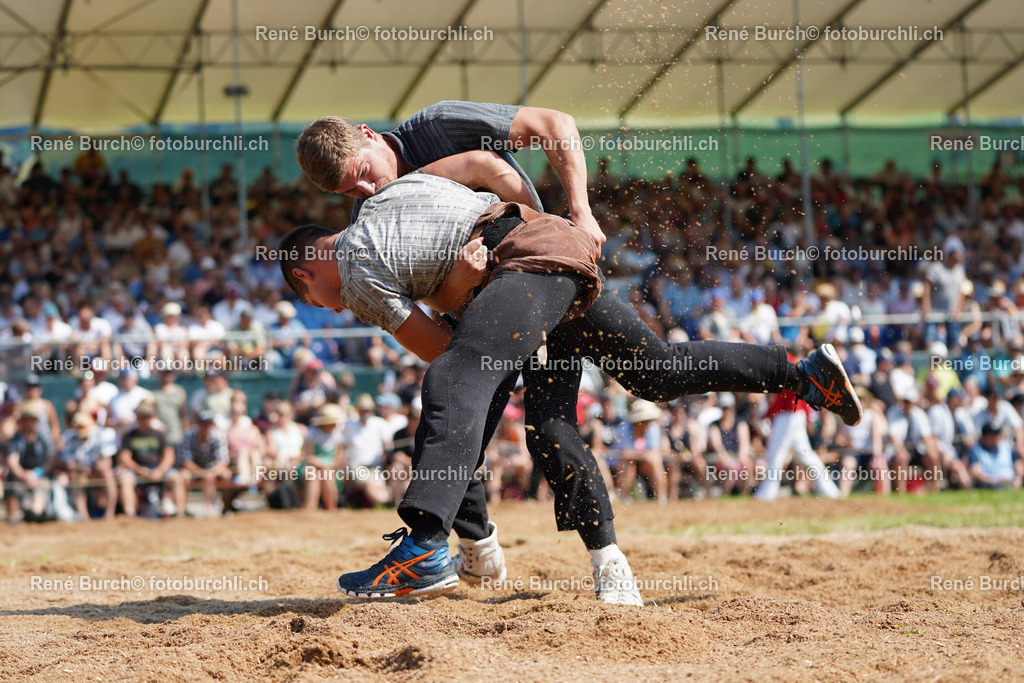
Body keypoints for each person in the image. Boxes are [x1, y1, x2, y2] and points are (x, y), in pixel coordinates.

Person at [280, 169, 860, 601]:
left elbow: (448, 355)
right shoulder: (395, 196)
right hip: (552, 253)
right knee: (653, 374)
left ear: (305, 271)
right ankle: (802, 374)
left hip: (525, 271)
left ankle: (430, 544)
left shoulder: (356, 269)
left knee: (456, 382)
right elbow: (496, 167)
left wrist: (475, 299)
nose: (329, 312)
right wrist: (549, 223)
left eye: (310, 299)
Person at [117, 400, 186, 518]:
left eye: (147, 417)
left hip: (158, 469)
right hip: (137, 470)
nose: (144, 420)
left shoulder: (159, 434)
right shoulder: (129, 435)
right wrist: (139, 470)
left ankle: (180, 513)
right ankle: (130, 514)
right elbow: (124, 458)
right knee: (126, 480)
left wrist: (160, 470)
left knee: (177, 478)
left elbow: (169, 455)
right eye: (142, 417)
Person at [58, 412, 118, 520]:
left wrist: (96, 467)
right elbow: (69, 464)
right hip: (81, 472)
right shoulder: (68, 437)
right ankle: (83, 516)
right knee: (75, 476)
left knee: (107, 473)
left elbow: (107, 462)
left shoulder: (102, 435)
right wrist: (81, 468)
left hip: (98, 471)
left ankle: (110, 513)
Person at [4, 404, 57, 523]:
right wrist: (25, 476)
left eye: (36, 419)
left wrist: (37, 474)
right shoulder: (15, 440)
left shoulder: (44, 439)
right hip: (20, 479)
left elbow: (51, 460)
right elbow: (12, 463)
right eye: (32, 419)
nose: (35, 422)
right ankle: (15, 516)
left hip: (39, 479)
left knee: (43, 486)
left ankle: (35, 514)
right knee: (11, 484)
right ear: (24, 421)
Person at [180, 411, 231, 516]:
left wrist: (211, 472)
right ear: (197, 424)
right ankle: (182, 510)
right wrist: (202, 473)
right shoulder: (189, 435)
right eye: (203, 423)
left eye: (209, 423)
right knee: (183, 476)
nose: (206, 426)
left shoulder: (219, 436)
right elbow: (187, 461)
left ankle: (223, 508)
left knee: (226, 475)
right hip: (194, 469)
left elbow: (223, 462)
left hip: (213, 469)